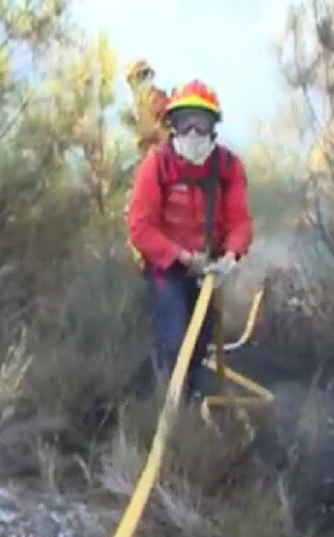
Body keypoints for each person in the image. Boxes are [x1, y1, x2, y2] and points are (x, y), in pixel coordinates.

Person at [126, 79, 253, 400]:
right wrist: (180, 256)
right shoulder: (157, 165)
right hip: (166, 267)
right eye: (186, 123)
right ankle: (164, 407)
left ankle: (190, 397)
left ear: (214, 128)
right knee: (173, 338)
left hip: (208, 267)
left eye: (202, 123)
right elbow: (140, 227)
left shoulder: (227, 166)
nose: (194, 133)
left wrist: (230, 257)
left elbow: (240, 221)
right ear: (173, 126)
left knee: (199, 342)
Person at [124, 59, 171, 152]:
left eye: (146, 73)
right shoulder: (135, 106)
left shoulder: (159, 100)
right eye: (141, 75)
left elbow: (165, 133)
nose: (146, 76)